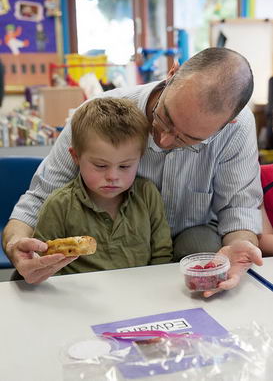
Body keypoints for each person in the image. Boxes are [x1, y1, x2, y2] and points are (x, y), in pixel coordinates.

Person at [3, 47, 263, 296]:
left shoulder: (237, 129)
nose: (164, 140)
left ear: (228, 122)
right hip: (110, 247)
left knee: (202, 246)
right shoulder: (98, 115)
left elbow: (238, 208)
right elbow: (39, 199)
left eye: (189, 139)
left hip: (187, 243)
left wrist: (240, 245)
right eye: (166, 118)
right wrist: (17, 246)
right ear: (171, 75)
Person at [31, 97, 173, 276]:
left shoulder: (147, 194)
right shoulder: (59, 205)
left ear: (140, 158)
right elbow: (43, 260)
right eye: (100, 165)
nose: (113, 177)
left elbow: (162, 253)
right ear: (76, 157)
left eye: (124, 166)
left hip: (140, 293)